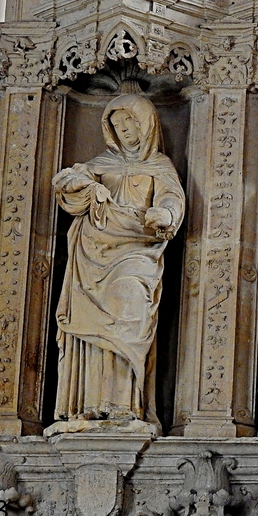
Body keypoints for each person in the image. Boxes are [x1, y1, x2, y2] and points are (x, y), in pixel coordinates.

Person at [52, 94, 185, 428]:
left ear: (147, 123)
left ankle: (124, 402)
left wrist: (165, 213)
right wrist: (83, 183)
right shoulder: (100, 164)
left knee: (129, 306)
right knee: (91, 329)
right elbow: (66, 184)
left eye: (130, 121)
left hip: (137, 253)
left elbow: (172, 198)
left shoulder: (159, 167)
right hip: (92, 256)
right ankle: (91, 402)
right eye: (117, 123)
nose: (124, 129)